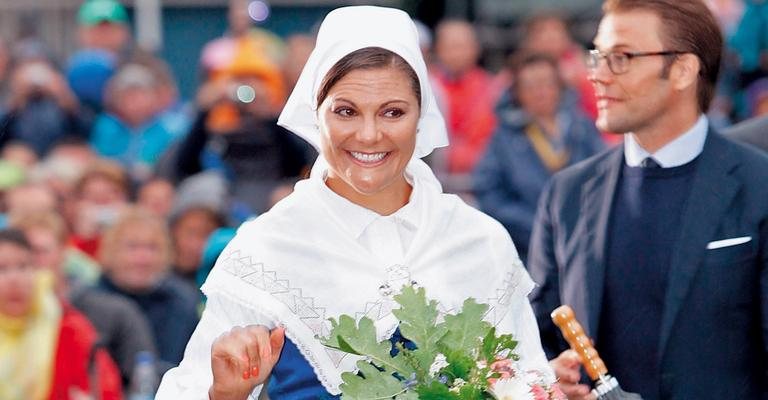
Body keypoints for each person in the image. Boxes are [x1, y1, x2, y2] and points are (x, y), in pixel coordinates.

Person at [157, 6, 552, 399]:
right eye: (346, 111)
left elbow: (529, 381)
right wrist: (224, 395)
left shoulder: (478, 240)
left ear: (421, 116)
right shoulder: (266, 249)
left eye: (393, 112)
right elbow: (187, 388)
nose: (368, 135)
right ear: (316, 112)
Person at [527, 1, 768, 399]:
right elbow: (539, 337)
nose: (598, 76)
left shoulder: (758, 184)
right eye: (597, 57)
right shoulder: (567, 194)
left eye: (621, 57)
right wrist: (552, 379)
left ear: (683, 70)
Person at [473, 53, 603, 263]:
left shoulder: (582, 127)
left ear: (559, 87)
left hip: (586, 244)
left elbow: (604, 177)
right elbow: (489, 192)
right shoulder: (504, 138)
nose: (540, 92)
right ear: (517, 93)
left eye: (546, 83)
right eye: (530, 86)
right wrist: (535, 226)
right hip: (527, 249)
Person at [0, 228, 123, 400]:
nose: (14, 279)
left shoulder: (69, 326)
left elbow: (106, 389)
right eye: (2, 269)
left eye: (23, 267)